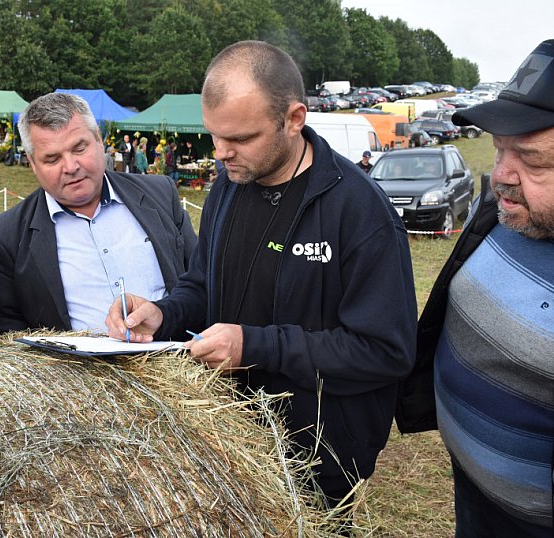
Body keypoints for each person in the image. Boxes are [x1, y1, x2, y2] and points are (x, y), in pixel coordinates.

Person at [106, 41, 417, 510]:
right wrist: (163, 314)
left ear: (294, 118)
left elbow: (385, 351)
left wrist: (255, 346)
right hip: (228, 443)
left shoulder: (359, 212)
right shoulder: (230, 187)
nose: (222, 153)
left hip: (319, 462)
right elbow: (203, 284)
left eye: (241, 138)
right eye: (214, 135)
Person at [396, 39, 554, 537]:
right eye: (500, 147)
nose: (501, 175)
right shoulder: (506, 209)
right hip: (474, 496)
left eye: (532, 159)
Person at [0, 92, 197, 335]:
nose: (71, 167)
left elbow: (200, 282)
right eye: (52, 159)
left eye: (79, 149)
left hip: (175, 362)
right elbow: (0, 323)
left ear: (99, 141)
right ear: (32, 163)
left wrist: (166, 316)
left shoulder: (160, 195)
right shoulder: (8, 235)